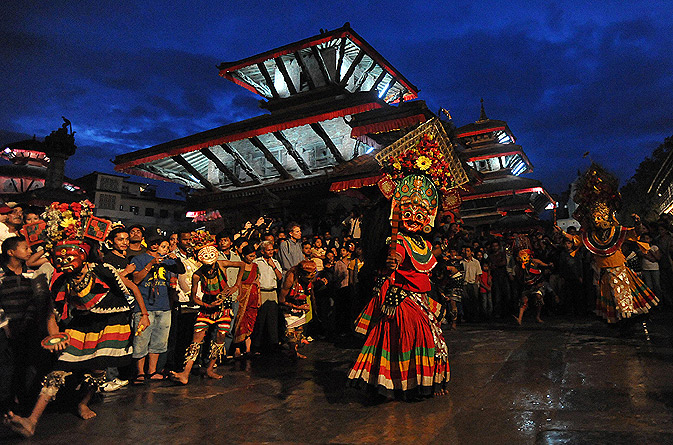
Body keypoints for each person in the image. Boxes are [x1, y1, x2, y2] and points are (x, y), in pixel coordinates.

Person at [4, 201, 137, 437]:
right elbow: (50, 312)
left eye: (69, 255)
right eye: (59, 256)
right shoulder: (58, 281)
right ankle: (31, 421)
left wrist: (143, 316)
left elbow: (129, 291)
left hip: (110, 324)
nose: (63, 260)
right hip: (81, 324)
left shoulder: (103, 269)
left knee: (97, 371)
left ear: (83, 256)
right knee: (59, 367)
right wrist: (54, 334)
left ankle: (83, 403)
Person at [348, 132, 451, 398]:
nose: (414, 218)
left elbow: (427, 266)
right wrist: (388, 258)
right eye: (407, 213)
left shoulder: (424, 244)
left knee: (432, 341)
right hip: (403, 300)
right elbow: (387, 260)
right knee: (412, 340)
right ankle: (400, 384)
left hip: (422, 298)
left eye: (420, 214)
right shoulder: (399, 242)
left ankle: (421, 381)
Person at [556, 163, 658, 326]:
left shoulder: (616, 231)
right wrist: (562, 233)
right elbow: (576, 241)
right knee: (612, 299)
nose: (597, 220)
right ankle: (621, 322)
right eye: (594, 218)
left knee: (623, 297)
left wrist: (638, 223)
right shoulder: (589, 236)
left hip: (619, 270)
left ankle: (627, 322)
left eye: (600, 217)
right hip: (603, 273)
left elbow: (633, 233)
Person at [169, 239, 243, 384]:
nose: (209, 268)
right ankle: (186, 373)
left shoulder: (221, 264)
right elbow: (193, 297)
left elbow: (242, 265)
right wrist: (206, 305)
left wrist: (236, 285)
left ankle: (210, 369)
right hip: (206, 307)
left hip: (224, 307)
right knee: (196, 341)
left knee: (219, 339)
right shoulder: (197, 274)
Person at [131, 234, 184, 383]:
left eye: (158, 243)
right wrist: (150, 264)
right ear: (146, 242)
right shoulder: (138, 259)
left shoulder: (166, 260)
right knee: (141, 340)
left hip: (164, 306)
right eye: (152, 242)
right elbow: (136, 279)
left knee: (159, 342)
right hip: (144, 307)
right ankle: (139, 372)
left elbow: (181, 270)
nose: (155, 245)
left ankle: (152, 371)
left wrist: (175, 258)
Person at [278, 260, 317, 359]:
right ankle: (292, 351)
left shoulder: (308, 280)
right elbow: (281, 300)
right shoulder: (291, 278)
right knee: (291, 332)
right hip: (289, 307)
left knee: (299, 330)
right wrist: (296, 307)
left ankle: (294, 351)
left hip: (300, 306)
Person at [251, 240, 282, 352]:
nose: (271, 252)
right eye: (268, 250)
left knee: (273, 319)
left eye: (272, 249)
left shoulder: (276, 262)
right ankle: (257, 344)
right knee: (260, 318)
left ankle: (273, 343)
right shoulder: (257, 262)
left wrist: (273, 266)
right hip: (262, 292)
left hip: (273, 292)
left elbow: (280, 277)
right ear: (263, 251)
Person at [232, 244, 260, 356]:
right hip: (241, 297)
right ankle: (237, 349)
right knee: (239, 322)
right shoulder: (240, 265)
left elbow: (258, 283)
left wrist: (259, 299)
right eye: (250, 256)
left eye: (253, 256)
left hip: (253, 297)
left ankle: (248, 349)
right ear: (243, 255)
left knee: (250, 322)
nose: (252, 258)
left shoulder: (255, 266)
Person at [512, 249, 550, 325]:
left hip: (538, 283)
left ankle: (537, 316)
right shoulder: (518, 267)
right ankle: (519, 319)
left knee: (538, 297)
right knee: (524, 300)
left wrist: (548, 265)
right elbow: (520, 278)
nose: (523, 259)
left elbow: (544, 265)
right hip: (528, 285)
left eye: (525, 257)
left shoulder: (535, 262)